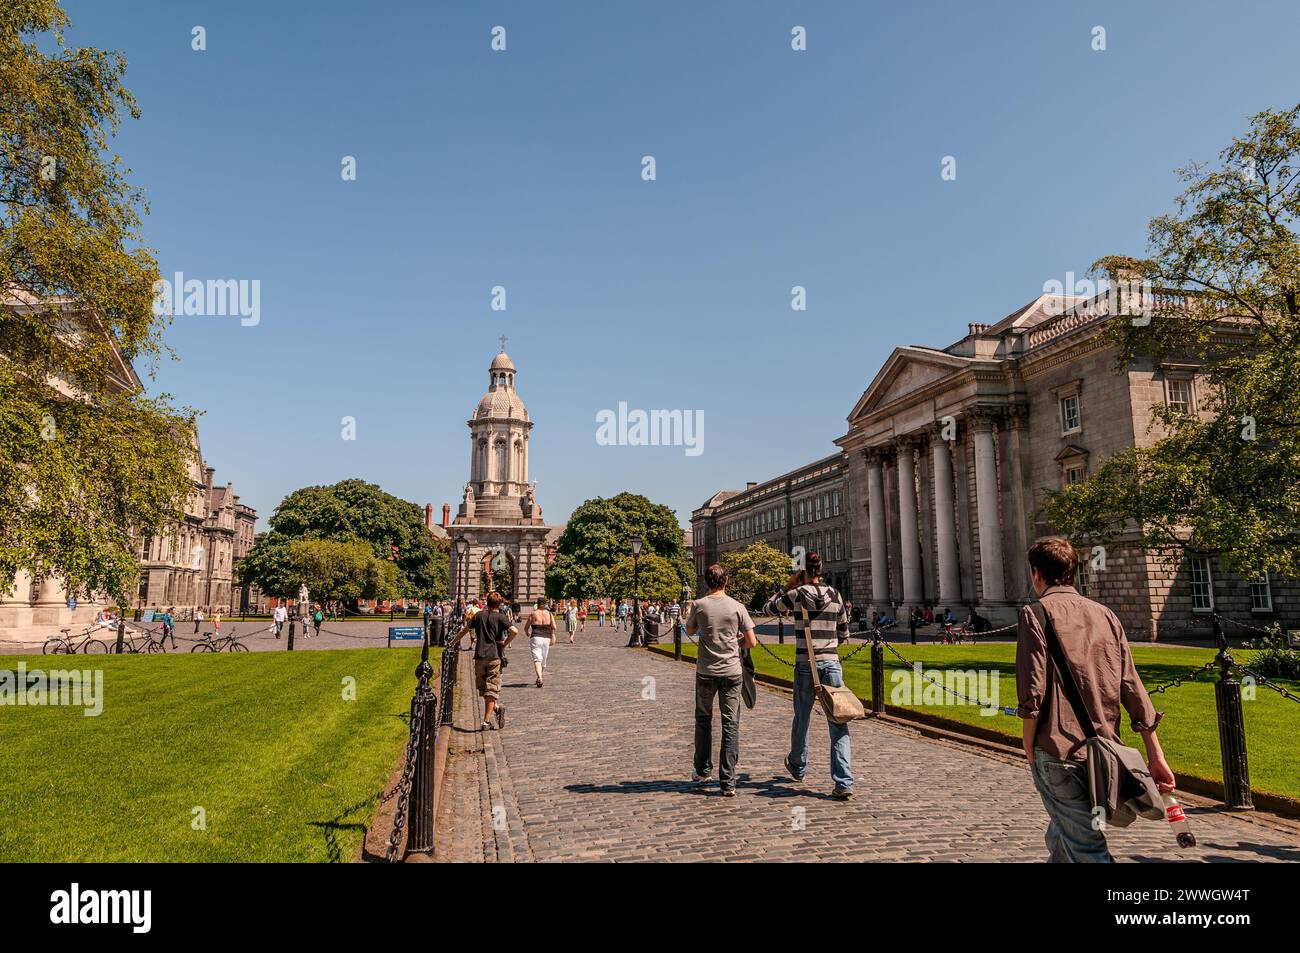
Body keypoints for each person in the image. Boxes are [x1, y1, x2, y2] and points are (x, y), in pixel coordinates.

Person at [1016, 537, 1174, 863]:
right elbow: (1133, 687)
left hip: (1056, 749)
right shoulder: (1106, 615)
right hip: (1103, 750)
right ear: (1074, 571)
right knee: (1063, 835)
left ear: (1036, 573)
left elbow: (1033, 692)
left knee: (1086, 846)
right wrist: (1155, 754)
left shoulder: (1035, 615)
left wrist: (1029, 746)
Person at [763, 553, 854, 800]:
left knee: (802, 718)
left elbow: (768, 608)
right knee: (838, 722)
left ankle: (798, 765)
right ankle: (844, 781)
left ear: (803, 572)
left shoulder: (796, 594)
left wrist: (788, 586)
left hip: (806, 664)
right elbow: (845, 633)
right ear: (821, 570)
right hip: (832, 664)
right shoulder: (836, 595)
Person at [687, 564, 757, 797]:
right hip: (731, 673)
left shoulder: (699, 605)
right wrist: (735, 642)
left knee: (703, 720)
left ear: (707, 582)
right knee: (730, 725)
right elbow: (752, 642)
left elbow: (690, 629)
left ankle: (703, 769)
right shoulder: (737, 607)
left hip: (706, 671)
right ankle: (728, 782)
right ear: (725, 581)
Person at [458, 592, 517, 730]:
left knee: (486, 689)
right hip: (495, 655)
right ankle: (496, 708)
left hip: (480, 656)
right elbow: (514, 631)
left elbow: (465, 630)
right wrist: (505, 643)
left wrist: (453, 642)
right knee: (488, 689)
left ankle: (486, 721)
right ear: (500, 604)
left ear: (486, 603)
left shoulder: (479, 615)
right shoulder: (501, 617)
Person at [523, 597, 557, 688]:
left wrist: (527, 632)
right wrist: (553, 635)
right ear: (545, 604)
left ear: (537, 604)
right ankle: (540, 676)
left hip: (536, 637)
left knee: (537, 659)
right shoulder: (549, 614)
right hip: (546, 638)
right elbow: (554, 626)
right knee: (544, 660)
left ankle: (539, 678)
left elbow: (526, 627)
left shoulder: (533, 613)